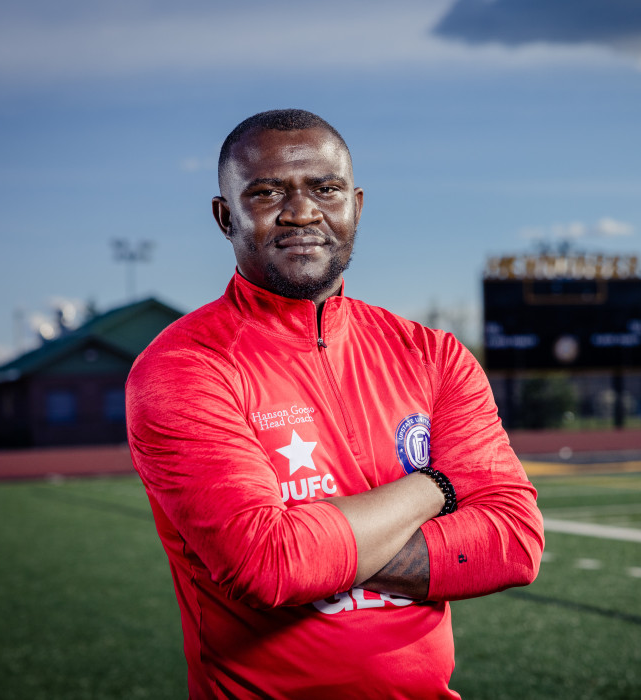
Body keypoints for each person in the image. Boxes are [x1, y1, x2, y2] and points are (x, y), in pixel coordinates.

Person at [125, 108, 544, 699]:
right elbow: (269, 566)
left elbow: (514, 542)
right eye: (268, 192)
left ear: (357, 206)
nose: (302, 212)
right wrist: (439, 488)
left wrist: (314, 552)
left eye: (326, 189)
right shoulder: (183, 367)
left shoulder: (432, 354)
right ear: (225, 217)